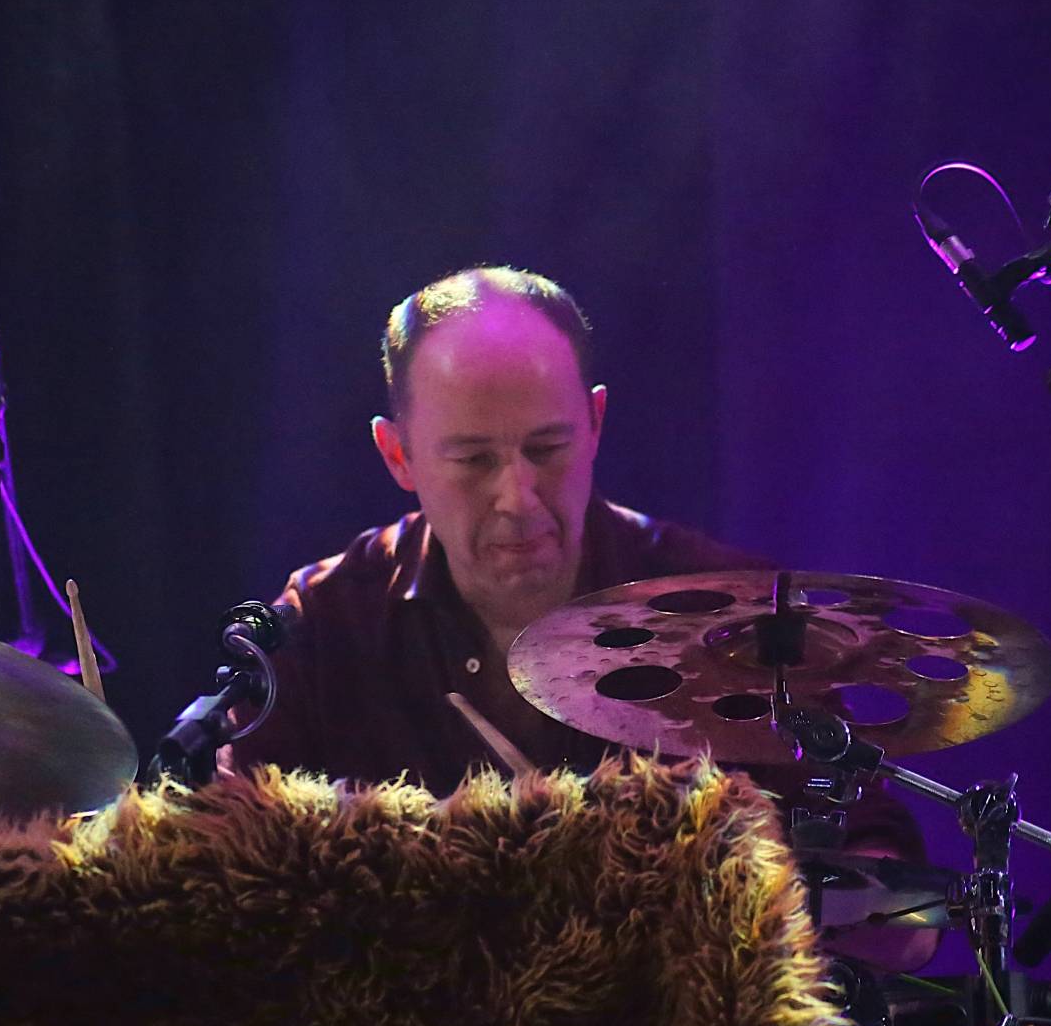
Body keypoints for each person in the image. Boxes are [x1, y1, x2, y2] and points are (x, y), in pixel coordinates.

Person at [229, 264, 916, 861]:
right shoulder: (325, 625)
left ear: (595, 424)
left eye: (547, 449)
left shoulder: (730, 611)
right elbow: (227, 862)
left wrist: (872, 893)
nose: (518, 497)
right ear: (398, 456)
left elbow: (871, 859)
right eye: (474, 460)